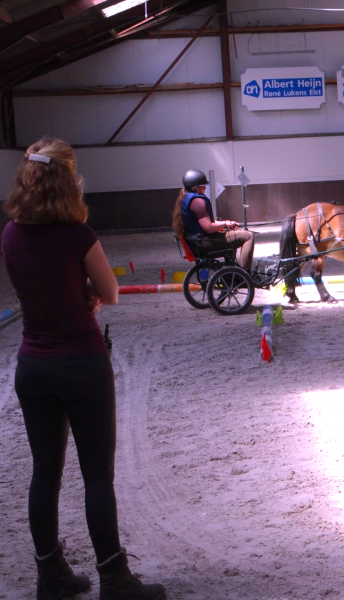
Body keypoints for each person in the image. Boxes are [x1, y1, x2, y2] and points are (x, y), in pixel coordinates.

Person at [1, 138, 166, 600]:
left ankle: (49, 574)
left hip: (32, 364)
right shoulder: (78, 235)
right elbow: (109, 292)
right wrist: (86, 294)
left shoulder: (10, 233)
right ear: (69, 181)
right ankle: (114, 578)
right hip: (81, 363)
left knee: (44, 473)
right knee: (97, 476)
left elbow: (37, 288)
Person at [171, 169, 254, 270]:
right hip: (203, 242)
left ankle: (231, 272)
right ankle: (245, 273)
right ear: (195, 187)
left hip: (195, 242)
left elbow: (206, 223)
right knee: (248, 236)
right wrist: (224, 223)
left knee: (232, 234)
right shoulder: (198, 202)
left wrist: (227, 223)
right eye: (202, 185)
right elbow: (209, 228)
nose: (205, 187)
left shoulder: (186, 198)